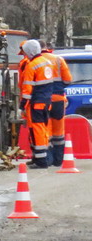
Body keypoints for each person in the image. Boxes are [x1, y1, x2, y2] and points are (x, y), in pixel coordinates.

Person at [19, 38, 56, 168]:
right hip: (46, 102)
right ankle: (45, 158)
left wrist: (21, 106)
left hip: (36, 103)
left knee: (37, 131)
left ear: (28, 51)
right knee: (44, 130)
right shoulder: (47, 62)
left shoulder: (31, 65)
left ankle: (41, 161)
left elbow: (27, 89)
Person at [41, 42, 73, 166]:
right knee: (59, 131)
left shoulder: (34, 62)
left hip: (42, 100)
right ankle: (58, 160)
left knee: (45, 130)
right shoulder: (58, 60)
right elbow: (68, 80)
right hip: (58, 99)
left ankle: (47, 159)